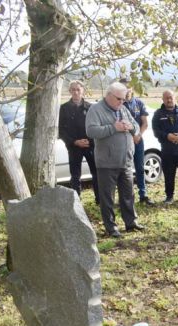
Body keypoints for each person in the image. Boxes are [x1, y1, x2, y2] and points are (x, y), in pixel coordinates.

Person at [85, 82, 144, 238]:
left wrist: (130, 127)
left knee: (128, 194)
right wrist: (113, 128)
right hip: (107, 162)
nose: (121, 102)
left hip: (126, 160)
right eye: (119, 99)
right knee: (107, 197)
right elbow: (91, 131)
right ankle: (111, 227)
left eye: (124, 99)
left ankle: (131, 222)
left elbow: (137, 127)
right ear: (109, 95)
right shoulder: (95, 109)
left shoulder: (123, 109)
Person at [58, 80, 99, 203]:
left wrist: (89, 141)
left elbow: (96, 127)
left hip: (90, 145)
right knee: (75, 176)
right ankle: (76, 202)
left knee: (96, 173)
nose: (75, 92)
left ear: (82, 90)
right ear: (70, 91)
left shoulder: (91, 107)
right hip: (74, 147)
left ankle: (99, 200)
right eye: (73, 89)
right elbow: (61, 131)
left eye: (78, 89)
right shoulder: (63, 108)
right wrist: (75, 142)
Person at [119, 78, 153, 205]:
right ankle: (126, 196)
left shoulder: (138, 103)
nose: (127, 90)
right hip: (124, 141)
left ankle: (143, 194)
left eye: (129, 87)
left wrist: (138, 135)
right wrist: (130, 136)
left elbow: (145, 123)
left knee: (139, 167)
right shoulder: (118, 104)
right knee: (124, 169)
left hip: (138, 140)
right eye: (124, 87)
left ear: (132, 88)